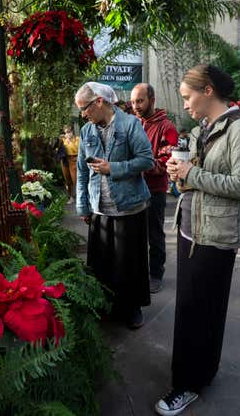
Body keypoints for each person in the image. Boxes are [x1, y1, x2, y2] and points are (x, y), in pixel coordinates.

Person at [155, 64, 240, 416]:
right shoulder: (204, 129)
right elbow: (195, 179)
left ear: (209, 90)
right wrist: (180, 175)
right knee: (195, 308)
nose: (185, 104)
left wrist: (192, 174)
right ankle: (202, 373)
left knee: (199, 311)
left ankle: (187, 384)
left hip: (217, 236)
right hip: (190, 229)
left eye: (188, 97)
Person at [74, 82, 155, 329]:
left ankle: (132, 309)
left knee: (129, 264)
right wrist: (83, 205)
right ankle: (106, 307)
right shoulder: (87, 131)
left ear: (99, 101)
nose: (83, 114)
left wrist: (114, 169)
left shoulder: (129, 125)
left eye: (84, 108)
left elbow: (147, 160)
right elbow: (81, 172)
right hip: (99, 209)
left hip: (129, 209)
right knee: (103, 266)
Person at [131, 83, 179, 293]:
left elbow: (168, 162)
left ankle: (156, 275)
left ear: (152, 100)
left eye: (140, 101)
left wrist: (135, 167)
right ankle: (139, 272)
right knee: (135, 234)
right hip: (133, 189)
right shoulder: (134, 123)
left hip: (154, 190)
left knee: (155, 234)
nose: (135, 106)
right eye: (133, 102)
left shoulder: (166, 127)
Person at [59, 123, 79, 203]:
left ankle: (80, 196)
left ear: (72, 131)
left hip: (74, 159)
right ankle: (71, 196)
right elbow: (55, 145)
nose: (68, 134)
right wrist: (61, 138)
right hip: (65, 160)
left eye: (69, 131)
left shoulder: (77, 139)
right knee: (67, 179)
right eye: (66, 132)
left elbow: (80, 149)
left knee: (75, 179)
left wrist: (70, 141)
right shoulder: (63, 140)